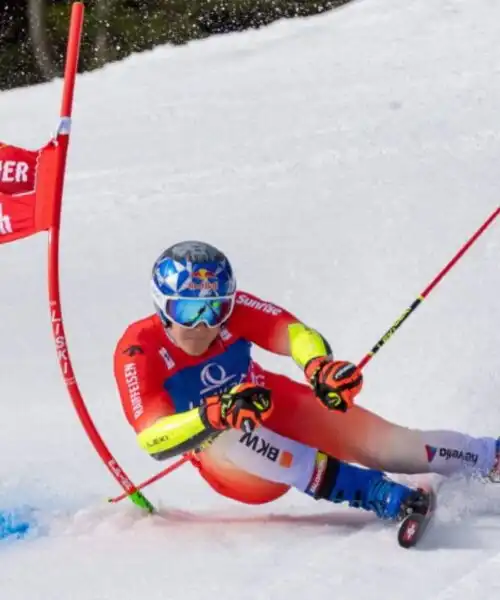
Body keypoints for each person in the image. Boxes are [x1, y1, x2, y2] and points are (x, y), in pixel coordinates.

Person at [113, 240, 498, 522]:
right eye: (188, 310)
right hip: (237, 467)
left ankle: (487, 455)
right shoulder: (138, 350)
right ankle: (375, 492)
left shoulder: (237, 314)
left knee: (392, 444)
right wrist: (213, 413)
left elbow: (294, 333)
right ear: (161, 305)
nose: (203, 325)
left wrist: (319, 368)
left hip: (276, 405)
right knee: (225, 434)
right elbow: (152, 436)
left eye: (216, 308)